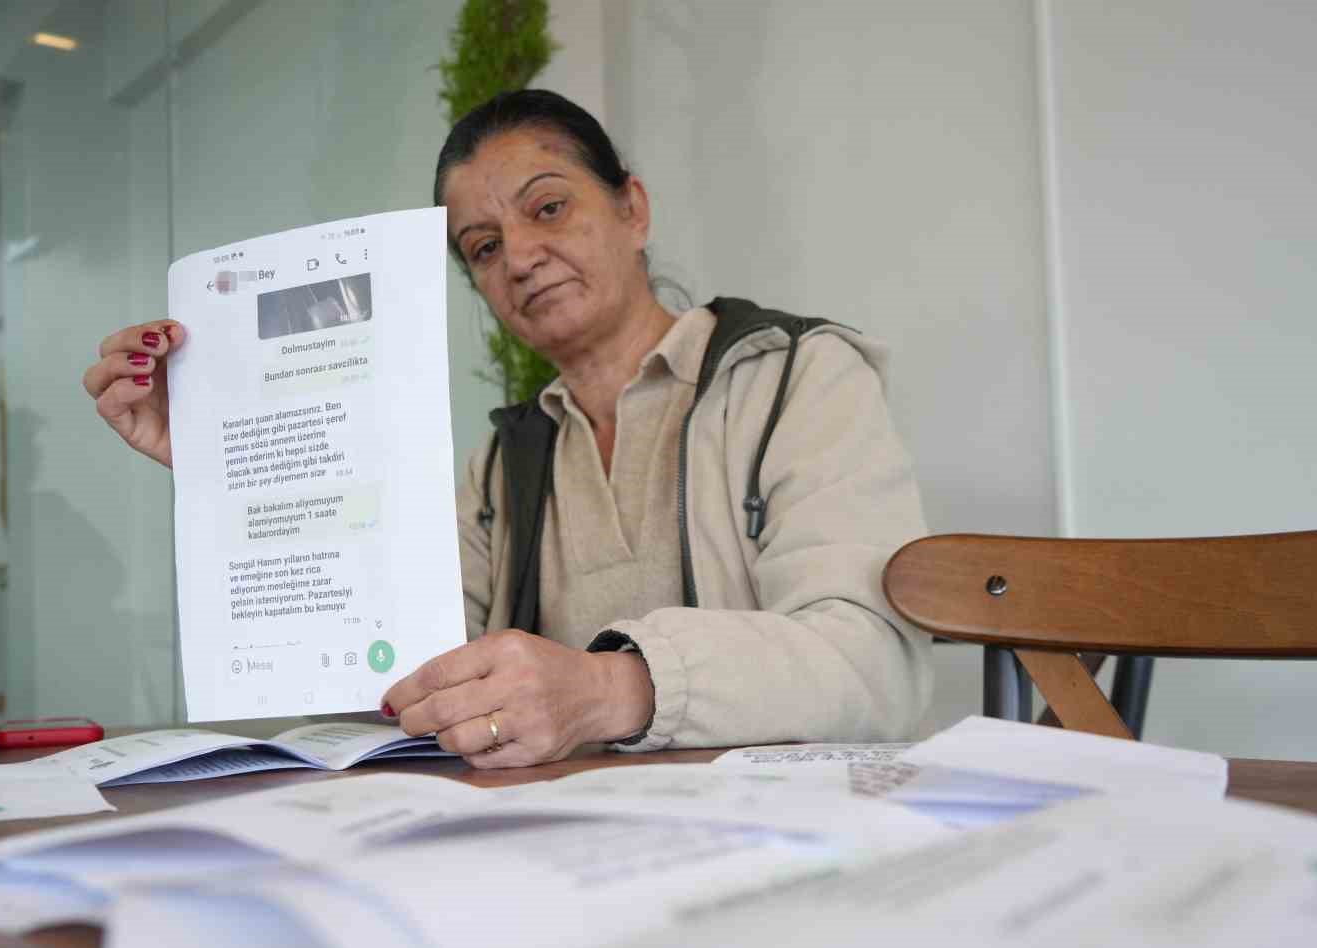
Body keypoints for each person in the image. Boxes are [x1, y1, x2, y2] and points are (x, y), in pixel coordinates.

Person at [84, 89, 933, 768]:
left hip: (789, 853)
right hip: (564, 854)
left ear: (633, 209)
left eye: (550, 208)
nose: (520, 256)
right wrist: (238, 474)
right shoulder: (502, 464)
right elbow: (395, 676)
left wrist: (608, 690)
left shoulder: (798, 377)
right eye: (484, 247)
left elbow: (871, 666)